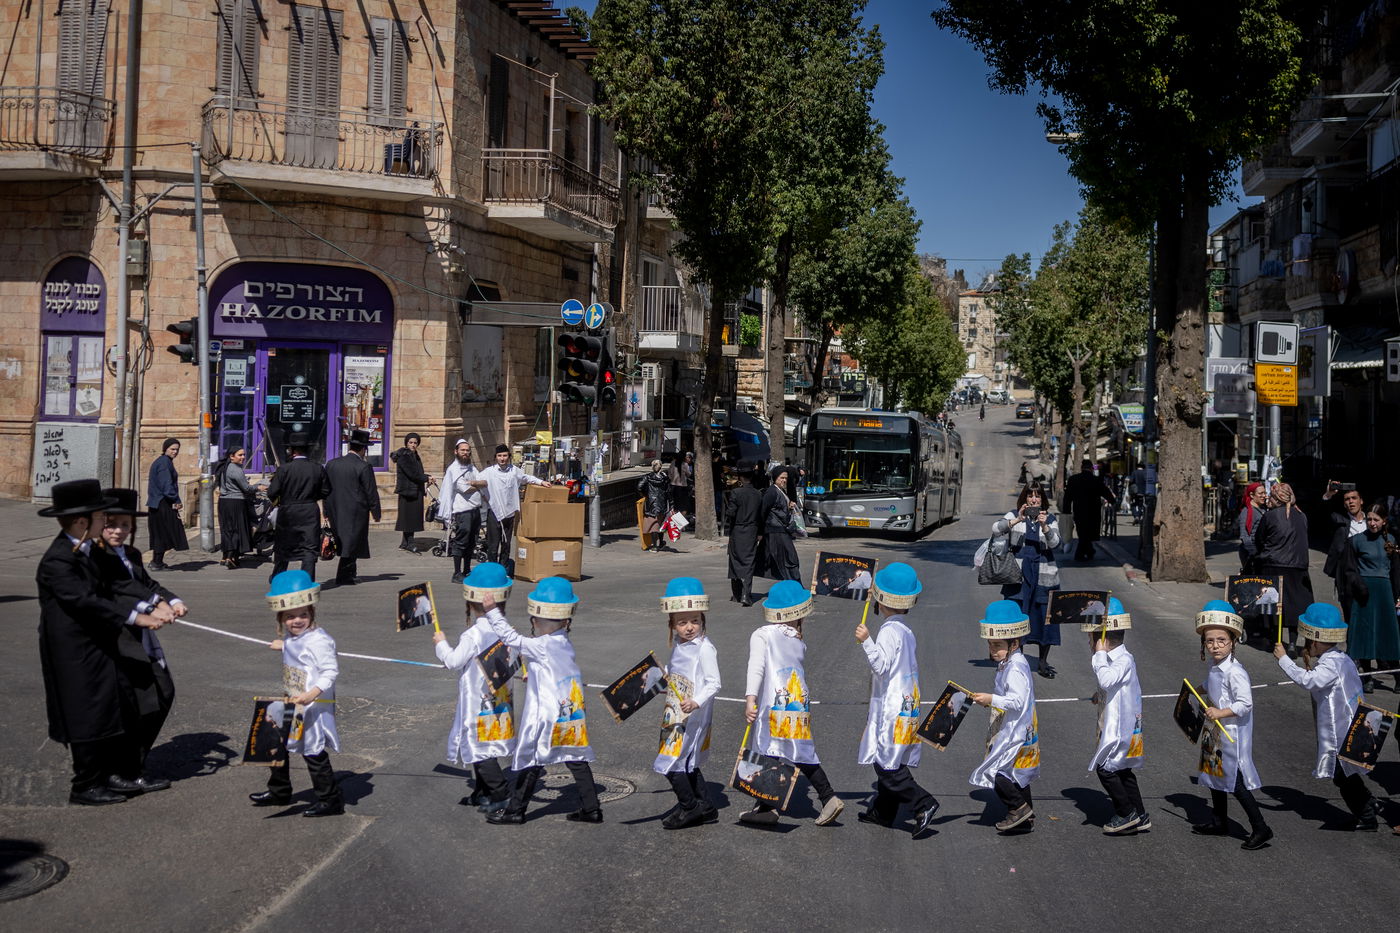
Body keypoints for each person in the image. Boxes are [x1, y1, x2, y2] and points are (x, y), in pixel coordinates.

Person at [37, 479, 170, 805]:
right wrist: (138, 618)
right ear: (82, 521)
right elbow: (86, 600)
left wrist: (157, 601)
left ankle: (110, 774)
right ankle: (84, 785)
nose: (106, 522)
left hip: (98, 645)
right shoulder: (59, 560)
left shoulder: (85, 550)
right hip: (73, 652)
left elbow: (122, 583)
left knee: (112, 707)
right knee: (85, 713)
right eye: (101, 517)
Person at [483, 577, 601, 825]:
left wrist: (492, 611)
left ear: (539, 620)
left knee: (531, 760)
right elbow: (562, 671)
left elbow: (511, 638)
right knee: (575, 758)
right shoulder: (562, 642)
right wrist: (534, 673)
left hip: (546, 715)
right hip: (569, 711)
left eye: (536, 621)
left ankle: (516, 810)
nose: (534, 624)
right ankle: (592, 808)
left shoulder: (542, 645)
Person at [92, 488, 185, 790]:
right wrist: (149, 610)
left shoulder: (131, 554)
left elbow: (147, 584)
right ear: (99, 524)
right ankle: (122, 771)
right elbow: (112, 597)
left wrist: (172, 601)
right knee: (138, 703)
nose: (118, 530)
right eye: (111, 524)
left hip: (142, 638)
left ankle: (132, 764)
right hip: (117, 640)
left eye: (125, 525)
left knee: (163, 694)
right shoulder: (95, 557)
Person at [741, 579, 844, 826]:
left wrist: (750, 698)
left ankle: (826, 797)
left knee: (769, 749)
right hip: (799, 702)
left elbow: (756, 667)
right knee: (797, 751)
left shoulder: (763, 634)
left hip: (775, 703)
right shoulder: (798, 640)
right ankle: (766, 805)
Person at [1273, 602, 1381, 831]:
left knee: (1341, 775)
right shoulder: (1341, 658)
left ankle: (1367, 815)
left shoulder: (1331, 664)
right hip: (1355, 722)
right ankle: (1369, 803)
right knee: (1347, 771)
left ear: (1315, 641)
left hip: (1343, 727)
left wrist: (1283, 659)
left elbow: (1309, 681)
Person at [853, 563, 940, 836]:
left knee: (885, 763)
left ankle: (923, 803)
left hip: (893, 706)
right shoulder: (904, 629)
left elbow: (881, 665)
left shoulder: (889, 631)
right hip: (907, 703)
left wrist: (867, 641)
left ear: (882, 599)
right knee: (894, 758)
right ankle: (882, 812)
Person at [250, 570, 344, 817]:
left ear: (312, 612)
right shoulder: (294, 638)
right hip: (292, 700)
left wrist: (312, 694)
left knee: (313, 751)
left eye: (303, 615)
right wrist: (284, 645)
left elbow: (330, 671)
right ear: (282, 618)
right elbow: (296, 649)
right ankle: (279, 792)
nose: (297, 621)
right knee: (275, 743)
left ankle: (330, 800)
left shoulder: (320, 640)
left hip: (311, 705)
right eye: (290, 617)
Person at [433, 562, 518, 814]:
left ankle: (500, 794)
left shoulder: (473, 634)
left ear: (471, 601)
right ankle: (482, 793)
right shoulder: (506, 629)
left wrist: (441, 644)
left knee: (479, 748)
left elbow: (453, 661)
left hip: (477, 699)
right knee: (486, 742)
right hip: (499, 696)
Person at [1189, 601, 1272, 850]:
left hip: (1230, 734)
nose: (1215, 645)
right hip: (1215, 731)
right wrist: (1197, 689)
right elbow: (1211, 681)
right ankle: (1219, 821)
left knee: (1235, 783)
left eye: (1221, 640)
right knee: (1214, 776)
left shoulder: (1235, 672)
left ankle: (1261, 827)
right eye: (1209, 640)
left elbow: (1245, 704)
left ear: (1233, 642)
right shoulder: (1215, 666)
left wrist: (1219, 711)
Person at [653, 577, 720, 830]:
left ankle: (689, 807)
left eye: (695, 621)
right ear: (672, 625)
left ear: (703, 620)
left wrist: (696, 702)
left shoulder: (705, 648)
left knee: (670, 761)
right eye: (682, 622)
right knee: (687, 761)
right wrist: (664, 679)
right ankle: (706, 806)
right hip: (675, 712)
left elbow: (714, 683)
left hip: (691, 714)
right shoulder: (681, 645)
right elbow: (676, 671)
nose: (689, 627)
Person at [969, 600, 1040, 835]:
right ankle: (1026, 815)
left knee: (995, 771)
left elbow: (1017, 701)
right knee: (1016, 773)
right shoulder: (1008, 661)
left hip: (1015, 728)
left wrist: (992, 699)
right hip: (1015, 725)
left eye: (998, 645)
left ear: (1014, 642)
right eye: (990, 644)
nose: (993, 649)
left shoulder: (1015, 667)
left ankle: (1017, 808)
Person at [1084, 598, 1148, 834]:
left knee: (1106, 768)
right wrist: (1099, 694)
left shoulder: (1123, 659)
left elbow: (1107, 679)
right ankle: (1140, 814)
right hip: (1118, 722)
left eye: (1091, 638)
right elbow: (1113, 687)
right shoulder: (1117, 660)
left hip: (1122, 726)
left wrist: (1099, 655)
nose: (1089, 644)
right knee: (1122, 769)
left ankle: (1126, 813)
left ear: (1100, 639)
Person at [994, 483, 1062, 678]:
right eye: (1030, 496)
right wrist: (1017, 520)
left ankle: (1042, 662)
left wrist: (1045, 526)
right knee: (1017, 618)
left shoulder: (1049, 518)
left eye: (1037, 497)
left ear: (1042, 500)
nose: (1034, 500)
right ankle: (1017, 661)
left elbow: (1056, 543)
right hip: (1018, 577)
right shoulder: (1014, 515)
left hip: (1044, 576)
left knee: (1045, 619)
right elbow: (996, 529)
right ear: (1024, 498)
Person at [1345, 503, 1400, 692]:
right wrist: (1359, 586)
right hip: (1364, 593)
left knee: (1387, 635)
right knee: (1364, 635)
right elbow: (1350, 569)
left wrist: (1397, 595)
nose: (1372, 523)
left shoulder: (1391, 540)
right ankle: (1367, 677)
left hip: (1385, 593)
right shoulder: (1356, 540)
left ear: (1384, 521)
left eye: (1376, 520)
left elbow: (1396, 572)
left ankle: (1398, 677)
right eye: (1369, 519)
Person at [1253, 482, 1313, 654]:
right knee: (1295, 606)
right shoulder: (1301, 516)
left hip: (1274, 565)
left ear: (1277, 498)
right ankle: (1293, 643)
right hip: (1298, 566)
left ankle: (1275, 640)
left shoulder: (1270, 516)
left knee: (1273, 605)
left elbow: (1259, 539)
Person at [266, 432, 330, 583]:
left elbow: (272, 492)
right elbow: (326, 490)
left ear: (292, 451)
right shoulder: (317, 468)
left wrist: (282, 499)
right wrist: (312, 497)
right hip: (309, 510)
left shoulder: (284, 469)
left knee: (284, 544)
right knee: (309, 547)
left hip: (288, 510)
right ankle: (307, 580)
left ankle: (278, 577)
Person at [323, 428, 382, 586]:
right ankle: (345, 575)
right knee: (352, 543)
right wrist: (376, 512)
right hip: (356, 511)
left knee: (344, 541)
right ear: (363, 449)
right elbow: (371, 492)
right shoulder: (363, 467)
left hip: (335, 509)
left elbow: (325, 490)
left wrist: (326, 510)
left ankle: (349, 573)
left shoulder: (332, 464)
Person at [481, 444, 549, 566]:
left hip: (510, 513)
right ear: (496, 457)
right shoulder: (489, 472)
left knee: (506, 543)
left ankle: (504, 567)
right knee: (493, 544)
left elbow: (527, 478)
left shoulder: (514, 471)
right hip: (495, 513)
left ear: (509, 456)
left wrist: (541, 482)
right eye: (500, 456)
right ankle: (492, 569)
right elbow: (476, 481)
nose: (502, 458)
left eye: (505, 456)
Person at [441, 439, 487, 583]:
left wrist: (474, 482)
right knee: (461, 542)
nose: (466, 453)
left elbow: (484, 480)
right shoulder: (453, 470)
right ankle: (456, 572)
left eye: (467, 450)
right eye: (463, 450)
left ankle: (467, 570)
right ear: (456, 451)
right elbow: (465, 488)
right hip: (462, 511)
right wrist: (477, 484)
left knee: (471, 542)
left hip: (474, 509)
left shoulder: (471, 467)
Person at [1321, 483, 1366, 621]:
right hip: (1347, 576)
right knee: (1350, 614)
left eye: (1354, 498)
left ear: (1361, 501)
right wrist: (1329, 494)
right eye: (1347, 499)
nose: (1351, 502)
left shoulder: (1370, 522)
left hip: (1368, 573)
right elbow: (1323, 512)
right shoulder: (1339, 520)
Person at [215, 447, 261, 568]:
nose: (243, 457)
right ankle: (231, 557)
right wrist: (258, 487)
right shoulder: (236, 469)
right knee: (236, 529)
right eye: (240, 455)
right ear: (231, 456)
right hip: (236, 502)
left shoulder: (224, 467)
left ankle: (225, 556)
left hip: (223, 502)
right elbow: (246, 488)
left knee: (226, 529)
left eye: (244, 455)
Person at [145, 438, 188, 570]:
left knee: (161, 533)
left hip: (158, 503)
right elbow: (166, 485)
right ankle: (157, 563)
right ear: (165, 449)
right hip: (162, 503)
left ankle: (156, 561)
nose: (175, 452)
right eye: (172, 449)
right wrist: (176, 500)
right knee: (163, 533)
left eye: (177, 449)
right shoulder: (164, 463)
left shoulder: (164, 462)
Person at [725, 462, 762, 606]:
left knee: (734, 560)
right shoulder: (758, 494)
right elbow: (761, 516)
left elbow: (731, 513)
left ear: (740, 477)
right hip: (752, 531)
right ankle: (746, 594)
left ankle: (737, 594)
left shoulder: (736, 493)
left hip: (738, 530)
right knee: (749, 562)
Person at [1062, 459, 1115, 562]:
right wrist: (1113, 501)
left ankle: (1087, 552)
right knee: (1087, 533)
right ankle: (1083, 553)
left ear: (1082, 468)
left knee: (1082, 532)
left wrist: (1066, 511)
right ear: (1091, 469)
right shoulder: (1096, 480)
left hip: (1079, 511)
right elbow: (1105, 492)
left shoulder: (1073, 479)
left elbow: (1067, 497)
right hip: (1093, 512)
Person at [391, 432, 435, 553]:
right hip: (408, 491)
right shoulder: (405, 456)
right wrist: (426, 478)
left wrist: (427, 477)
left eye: (415, 443)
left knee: (411, 517)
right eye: (411, 442)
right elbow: (412, 474)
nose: (413, 445)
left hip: (415, 490)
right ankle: (410, 543)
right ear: (406, 443)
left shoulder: (414, 455)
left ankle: (405, 542)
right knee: (409, 518)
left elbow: (417, 472)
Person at [760, 466, 801, 582]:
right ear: (775, 478)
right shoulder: (772, 492)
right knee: (789, 559)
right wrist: (761, 531)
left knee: (788, 560)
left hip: (781, 530)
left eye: (786, 478)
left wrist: (788, 507)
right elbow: (763, 511)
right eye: (781, 478)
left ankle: (793, 585)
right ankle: (794, 586)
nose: (784, 480)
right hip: (775, 531)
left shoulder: (780, 491)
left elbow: (777, 509)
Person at [637, 459, 671, 552]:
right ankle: (661, 543)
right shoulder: (665, 478)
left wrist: (645, 495)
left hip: (651, 504)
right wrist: (671, 505)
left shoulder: (647, 477)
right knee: (660, 524)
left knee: (653, 526)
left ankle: (654, 546)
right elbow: (669, 492)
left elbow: (639, 487)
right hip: (662, 504)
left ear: (652, 467)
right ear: (661, 467)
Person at [1237, 481, 1267, 573]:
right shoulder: (1246, 512)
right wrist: (1254, 553)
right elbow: (1244, 536)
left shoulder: (1263, 509)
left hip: (1261, 552)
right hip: (1250, 553)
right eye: (1260, 493)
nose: (1264, 496)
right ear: (1252, 495)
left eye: (1265, 493)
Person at [668, 452, 693, 521]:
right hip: (682, 487)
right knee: (684, 507)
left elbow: (669, 474)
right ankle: (680, 522)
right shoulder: (685, 464)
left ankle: (675, 521)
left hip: (673, 486)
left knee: (675, 506)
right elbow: (688, 474)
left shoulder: (673, 463)